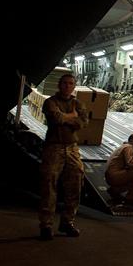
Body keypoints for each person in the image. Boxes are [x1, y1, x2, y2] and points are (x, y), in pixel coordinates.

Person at [39, 73, 88, 240]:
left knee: (75, 184)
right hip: (54, 148)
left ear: (74, 86)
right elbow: (55, 118)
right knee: (49, 186)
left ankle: (67, 222)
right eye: (65, 83)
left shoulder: (77, 103)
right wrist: (71, 117)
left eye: (71, 84)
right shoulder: (50, 102)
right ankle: (46, 225)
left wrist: (67, 118)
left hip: (72, 148)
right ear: (59, 85)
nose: (68, 86)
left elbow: (82, 122)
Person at [105, 133, 133, 207]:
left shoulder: (124, 146)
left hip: (111, 175)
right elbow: (130, 164)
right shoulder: (129, 147)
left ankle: (115, 190)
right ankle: (131, 198)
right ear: (132, 140)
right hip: (114, 176)